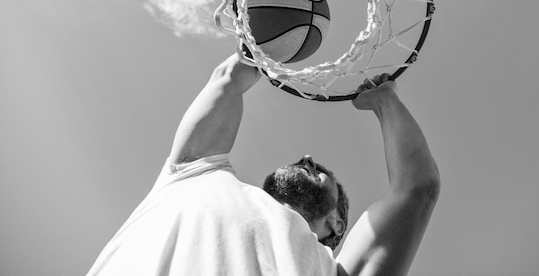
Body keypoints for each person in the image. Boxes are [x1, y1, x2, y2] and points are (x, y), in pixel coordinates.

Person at [87, 53, 440, 276]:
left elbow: (417, 188)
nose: (307, 158)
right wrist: (262, 48)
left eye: (324, 174)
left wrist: (384, 100)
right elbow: (229, 77)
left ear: (336, 224)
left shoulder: (339, 271)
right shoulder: (194, 173)